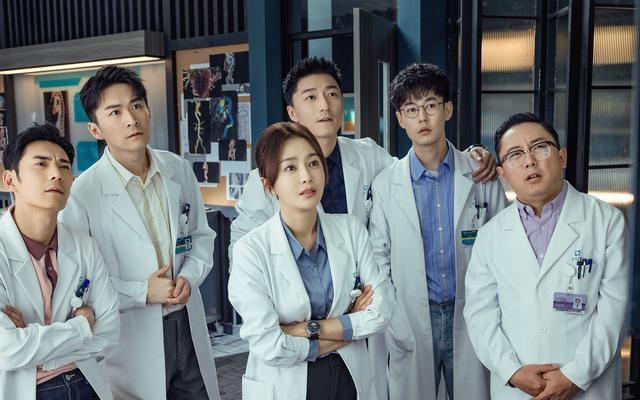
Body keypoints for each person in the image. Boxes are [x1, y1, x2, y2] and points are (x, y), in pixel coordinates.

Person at [59, 66, 220, 400]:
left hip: (186, 323)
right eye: (115, 112)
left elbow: (201, 236)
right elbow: (77, 282)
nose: (131, 119)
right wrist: (141, 292)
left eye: (136, 106)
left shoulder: (177, 168)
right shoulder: (82, 194)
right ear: (95, 129)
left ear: (148, 110)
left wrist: (189, 276)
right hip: (129, 334)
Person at [229, 56, 497, 257]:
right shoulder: (268, 177)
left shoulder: (367, 155)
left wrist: (470, 156)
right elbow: (241, 249)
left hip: (364, 298)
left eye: (332, 94)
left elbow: (415, 168)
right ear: (292, 113)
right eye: (311, 98)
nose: (324, 105)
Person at [464, 113, 630, 400]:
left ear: (562, 157)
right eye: (515, 155)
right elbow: (480, 316)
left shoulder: (606, 222)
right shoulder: (490, 236)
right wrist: (512, 371)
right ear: (502, 173)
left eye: (540, 148)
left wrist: (574, 376)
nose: (529, 161)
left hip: (588, 388)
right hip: (518, 389)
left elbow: (615, 311)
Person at [368, 63, 507, 400]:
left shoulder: (480, 174)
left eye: (431, 105)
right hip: (413, 315)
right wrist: (394, 316)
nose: (422, 118)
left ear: (447, 109)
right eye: (411, 110)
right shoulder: (386, 184)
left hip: (471, 311)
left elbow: (505, 245)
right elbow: (379, 258)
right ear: (400, 119)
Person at [228, 122, 394, 400]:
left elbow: (382, 310)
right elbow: (270, 345)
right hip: (285, 385)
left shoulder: (351, 229)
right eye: (290, 168)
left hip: (349, 378)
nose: (306, 176)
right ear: (268, 185)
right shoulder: (251, 251)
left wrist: (306, 330)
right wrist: (349, 325)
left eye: (313, 163)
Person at [0, 123, 120, 400]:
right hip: (26, 390)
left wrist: (33, 338)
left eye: (64, 166)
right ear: (10, 180)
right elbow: (6, 349)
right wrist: (82, 325)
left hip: (87, 383)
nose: (56, 174)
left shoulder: (83, 244)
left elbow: (109, 330)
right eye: (41, 164)